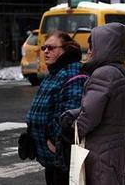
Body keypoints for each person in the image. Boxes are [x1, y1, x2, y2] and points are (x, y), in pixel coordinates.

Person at [60, 23, 125, 185]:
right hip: (114, 146)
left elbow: (90, 116)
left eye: (92, 47)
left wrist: (71, 129)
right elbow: (105, 108)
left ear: (104, 47)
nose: (89, 51)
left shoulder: (104, 73)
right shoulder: (118, 70)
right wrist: (75, 112)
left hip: (100, 150)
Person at [26, 30, 85, 185]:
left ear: (65, 49)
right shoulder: (54, 72)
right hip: (52, 157)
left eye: (51, 48)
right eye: (44, 48)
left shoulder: (72, 73)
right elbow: (44, 108)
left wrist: (54, 141)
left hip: (63, 157)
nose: (46, 51)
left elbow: (69, 114)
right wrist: (31, 134)